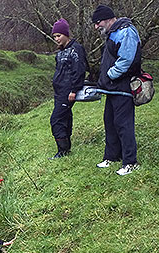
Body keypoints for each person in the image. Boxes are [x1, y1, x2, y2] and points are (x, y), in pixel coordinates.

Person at [92, 5, 141, 175]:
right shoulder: (113, 33)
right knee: (110, 123)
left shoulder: (126, 31)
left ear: (107, 18)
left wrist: (110, 74)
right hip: (113, 90)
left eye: (98, 22)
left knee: (124, 125)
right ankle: (112, 157)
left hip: (123, 88)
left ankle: (131, 162)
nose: (96, 26)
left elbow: (127, 59)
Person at [49, 18, 89, 159]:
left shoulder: (75, 49)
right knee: (65, 118)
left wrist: (74, 90)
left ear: (66, 34)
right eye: (54, 36)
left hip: (68, 92)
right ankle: (66, 148)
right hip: (59, 91)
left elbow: (79, 70)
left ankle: (62, 150)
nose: (56, 39)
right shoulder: (60, 51)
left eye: (59, 35)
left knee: (56, 120)